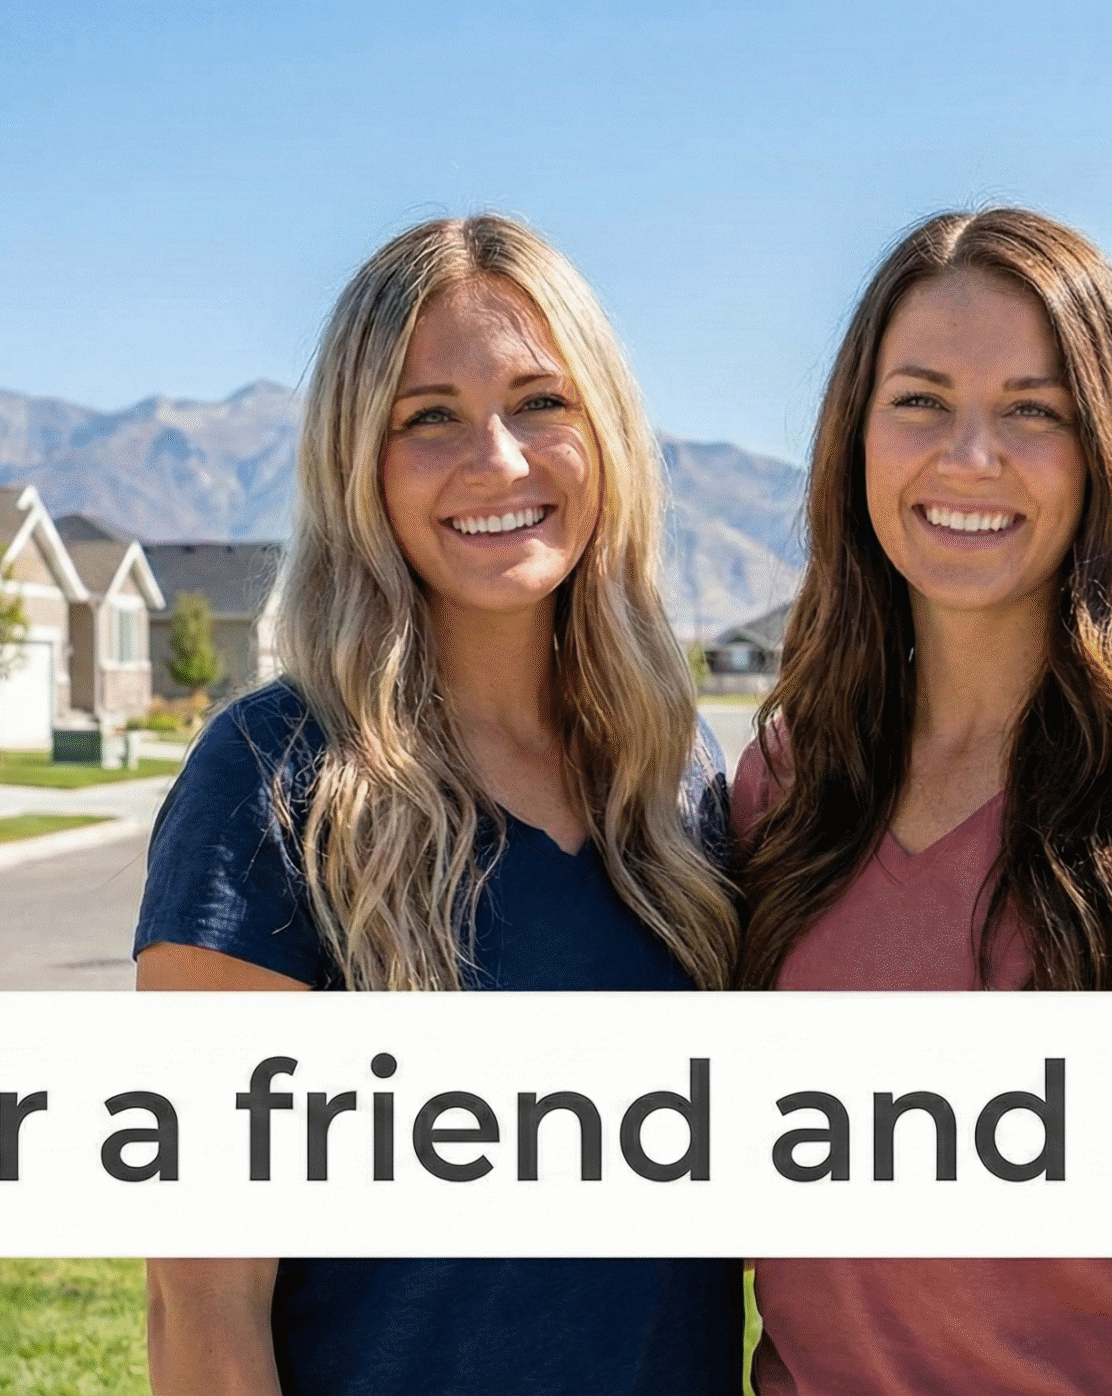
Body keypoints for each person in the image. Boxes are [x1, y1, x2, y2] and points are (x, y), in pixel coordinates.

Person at [732, 208, 1112, 1396]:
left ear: (1109, 448)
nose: (970, 457)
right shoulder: (786, 783)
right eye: (918, 400)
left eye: (1034, 409)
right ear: (853, 438)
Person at [133, 215, 740, 1396]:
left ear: (605, 430)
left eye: (539, 403)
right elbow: (201, 1301)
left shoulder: (676, 780)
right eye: (429, 418)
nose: (498, 460)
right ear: (359, 461)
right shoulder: (272, 782)